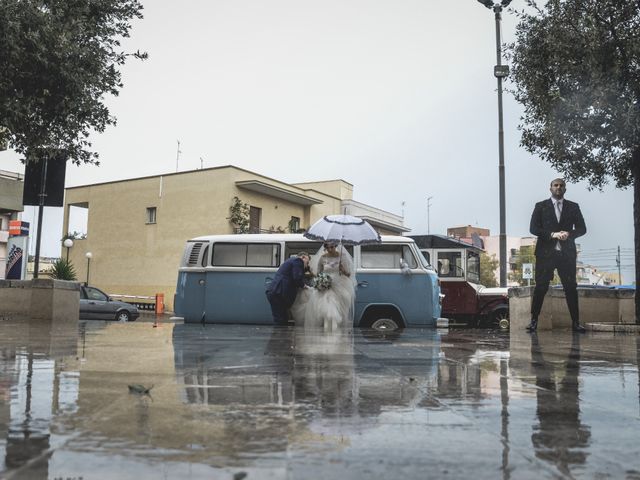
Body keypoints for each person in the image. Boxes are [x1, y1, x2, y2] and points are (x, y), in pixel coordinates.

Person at [527, 178, 587, 333]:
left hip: (566, 254)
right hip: (545, 254)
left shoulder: (573, 207)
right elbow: (533, 229)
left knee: (571, 288)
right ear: (550, 188)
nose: (558, 187)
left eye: (561, 186)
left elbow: (582, 229)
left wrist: (569, 234)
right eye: (555, 185)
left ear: (565, 189)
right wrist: (552, 234)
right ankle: (533, 321)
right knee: (541, 287)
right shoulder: (540, 206)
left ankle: (576, 323)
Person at [299, 242, 357, 330]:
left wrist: (343, 270)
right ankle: (328, 327)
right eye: (328, 248)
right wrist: (320, 281)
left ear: (336, 246)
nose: (330, 249)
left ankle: (335, 328)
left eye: (332, 247)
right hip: (326, 285)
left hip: (340, 285)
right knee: (327, 305)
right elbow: (318, 272)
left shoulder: (342, 256)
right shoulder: (323, 258)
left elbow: (349, 274)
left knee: (338, 307)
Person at [266, 252, 310, 325]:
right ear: (303, 257)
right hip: (279, 292)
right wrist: (304, 286)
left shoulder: (291, 261)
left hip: (276, 292)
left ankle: (280, 335)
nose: (306, 265)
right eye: (307, 262)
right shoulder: (298, 261)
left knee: (281, 318)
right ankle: (278, 335)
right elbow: (297, 278)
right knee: (280, 319)